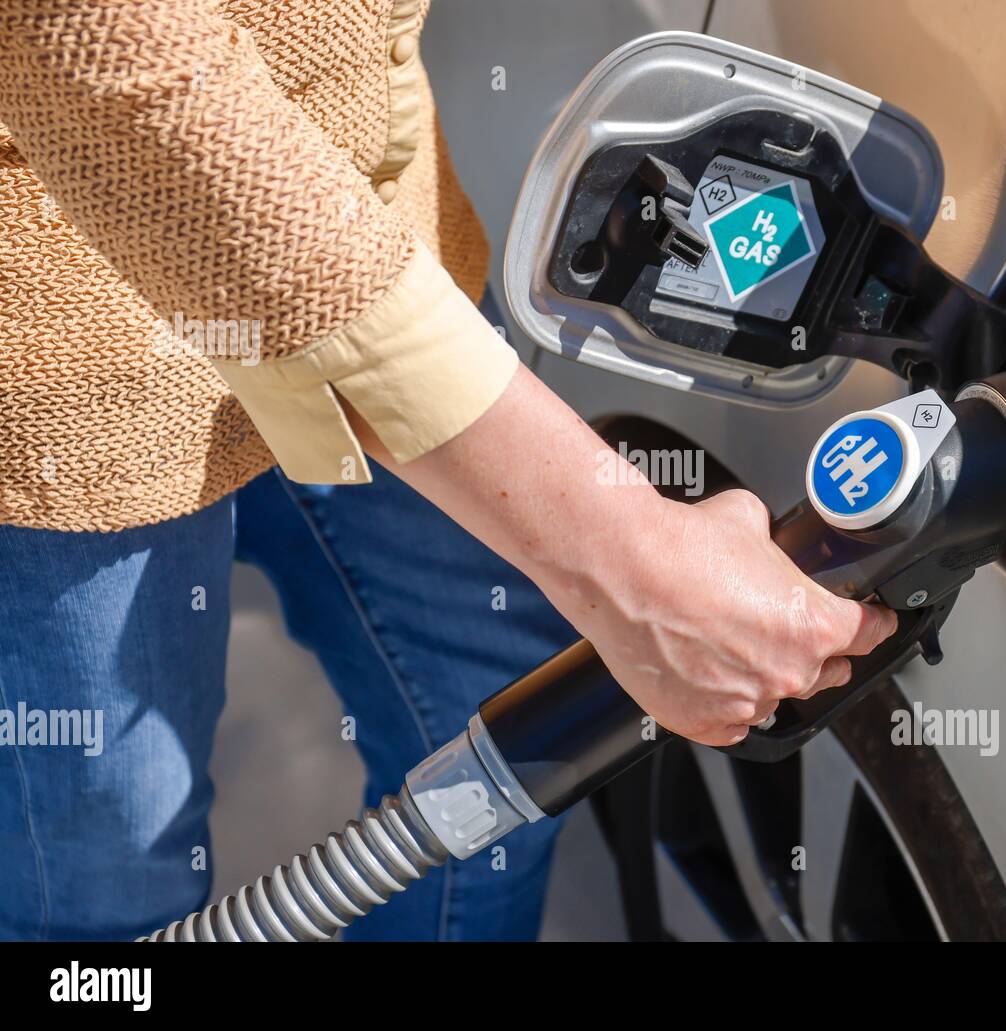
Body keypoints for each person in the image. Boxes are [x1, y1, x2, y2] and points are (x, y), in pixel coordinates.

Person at [0, 0, 896, 941]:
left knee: (499, 690)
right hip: (65, 363)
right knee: (103, 890)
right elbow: (100, 51)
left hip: (378, 227)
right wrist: (621, 554)